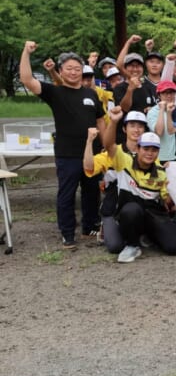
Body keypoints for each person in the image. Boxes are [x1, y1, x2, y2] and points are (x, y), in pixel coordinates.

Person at [19, 41, 105, 247]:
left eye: (77, 69)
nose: (74, 72)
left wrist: (104, 145)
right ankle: (67, 232)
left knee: (92, 192)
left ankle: (90, 227)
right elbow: (27, 79)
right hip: (67, 154)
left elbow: (100, 121)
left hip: (92, 153)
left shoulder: (91, 93)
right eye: (69, 68)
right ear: (60, 70)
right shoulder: (54, 92)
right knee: (67, 193)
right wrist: (26, 52)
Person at [103, 128, 176, 263]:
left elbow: (168, 202)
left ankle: (149, 237)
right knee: (130, 212)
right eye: (146, 149)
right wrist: (113, 122)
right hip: (130, 213)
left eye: (154, 150)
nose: (150, 153)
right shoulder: (124, 161)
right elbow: (108, 145)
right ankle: (132, 245)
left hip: (152, 214)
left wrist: (173, 186)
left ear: (158, 152)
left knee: (175, 247)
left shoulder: (162, 173)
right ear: (138, 149)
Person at [87, 108, 149, 253]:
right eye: (132, 125)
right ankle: (108, 227)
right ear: (124, 129)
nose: (136, 130)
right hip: (113, 206)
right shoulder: (113, 152)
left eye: (140, 126)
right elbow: (89, 167)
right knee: (115, 246)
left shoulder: (149, 154)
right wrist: (89, 143)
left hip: (138, 205)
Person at [147, 80, 176, 165]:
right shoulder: (153, 112)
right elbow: (159, 132)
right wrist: (162, 109)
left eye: (171, 93)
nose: (169, 96)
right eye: (165, 93)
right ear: (159, 95)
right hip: (159, 158)